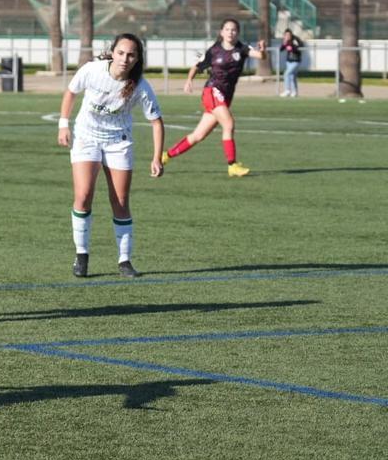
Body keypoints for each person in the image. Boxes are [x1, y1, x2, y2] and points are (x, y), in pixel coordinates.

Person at [57, 33, 164, 278]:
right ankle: (81, 255)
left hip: (119, 142)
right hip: (86, 138)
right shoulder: (92, 70)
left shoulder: (140, 86)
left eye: (131, 55)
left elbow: (157, 122)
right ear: (112, 52)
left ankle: (124, 261)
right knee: (83, 196)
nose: (125, 59)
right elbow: (71, 92)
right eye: (121, 53)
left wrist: (157, 157)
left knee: (121, 201)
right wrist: (63, 124)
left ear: (138, 59)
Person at [164, 18, 265, 177]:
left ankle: (165, 156)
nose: (230, 32)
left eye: (233, 30)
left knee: (198, 135)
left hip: (225, 96)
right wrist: (189, 80)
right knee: (229, 123)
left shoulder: (242, 49)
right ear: (222, 32)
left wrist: (263, 50)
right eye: (227, 29)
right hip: (212, 91)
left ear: (237, 33)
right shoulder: (214, 50)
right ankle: (232, 165)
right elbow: (197, 66)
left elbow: (260, 56)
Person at [279, 29, 303, 98]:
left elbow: (299, 47)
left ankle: (287, 90)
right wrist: (284, 43)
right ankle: (294, 92)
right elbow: (281, 49)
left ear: (291, 34)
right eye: (285, 35)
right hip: (289, 61)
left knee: (286, 73)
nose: (287, 36)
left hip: (296, 61)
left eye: (288, 35)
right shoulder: (286, 41)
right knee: (292, 76)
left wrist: (291, 47)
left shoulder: (295, 40)